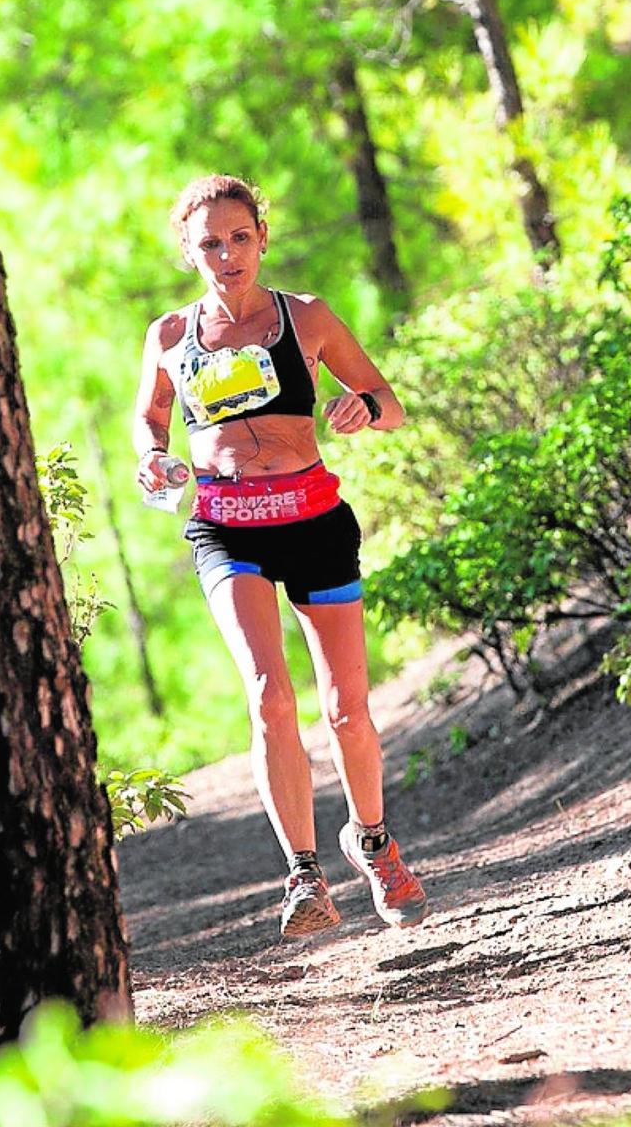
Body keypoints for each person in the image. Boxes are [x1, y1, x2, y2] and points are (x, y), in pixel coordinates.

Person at [132, 173, 429, 940]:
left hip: (314, 521)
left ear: (262, 238)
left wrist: (362, 407)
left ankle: (372, 843)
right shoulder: (170, 336)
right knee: (268, 695)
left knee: (348, 712)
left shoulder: (307, 318)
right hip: (227, 530)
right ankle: (303, 875)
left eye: (240, 238)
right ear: (188, 251)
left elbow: (390, 405)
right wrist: (153, 459)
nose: (227, 255)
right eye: (210, 243)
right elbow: (150, 420)